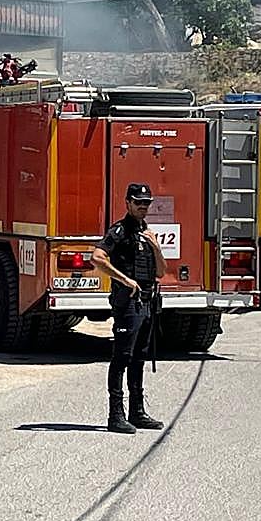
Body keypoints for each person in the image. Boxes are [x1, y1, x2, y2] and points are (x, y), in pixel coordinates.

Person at [92, 183, 169, 434]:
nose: (143, 206)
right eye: (138, 202)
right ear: (128, 203)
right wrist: (124, 280)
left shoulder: (147, 232)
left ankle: (137, 412)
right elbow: (97, 258)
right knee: (121, 358)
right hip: (128, 303)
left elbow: (161, 272)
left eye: (146, 202)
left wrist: (156, 246)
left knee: (139, 358)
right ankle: (116, 415)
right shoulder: (120, 230)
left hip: (147, 301)